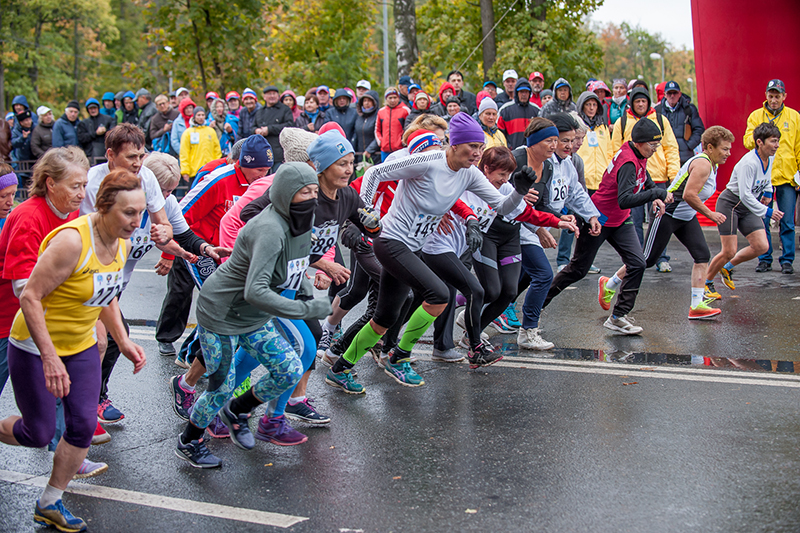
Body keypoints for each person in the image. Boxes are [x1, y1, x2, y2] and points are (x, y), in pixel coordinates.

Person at [326, 113, 538, 392]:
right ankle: (399, 357)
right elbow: (375, 173)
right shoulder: (428, 161)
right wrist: (366, 213)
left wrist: (519, 192)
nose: (477, 153)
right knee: (439, 294)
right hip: (390, 240)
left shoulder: (469, 173)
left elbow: (502, 206)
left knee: (384, 318)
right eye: (472, 146)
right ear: (454, 144)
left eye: (480, 146)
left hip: (412, 246)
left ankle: (340, 369)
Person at [0, 169, 147, 532]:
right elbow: (30, 297)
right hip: (35, 345)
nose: (136, 220)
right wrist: (49, 356)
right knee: (38, 432)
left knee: (81, 426)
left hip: (79, 344)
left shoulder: (121, 242)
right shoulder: (71, 242)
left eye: (140, 211)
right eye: (129, 212)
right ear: (104, 207)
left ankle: (50, 502)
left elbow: (107, 295)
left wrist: (123, 340)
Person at [175, 162, 330, 468]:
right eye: (305, 192)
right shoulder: (270, 229)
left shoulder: (300, 222)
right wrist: (305, 308)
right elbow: (255, 290)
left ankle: (238, 411)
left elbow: (291, 266)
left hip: (252, 316)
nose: (313, 198)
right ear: (286, 194)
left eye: (315, 191)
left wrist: (321, 266)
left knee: (288, 368)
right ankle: (190, 440)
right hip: (222, 313)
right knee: (221, 387)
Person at [80, 124, 173, 424]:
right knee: (102, 341)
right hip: (91, 275)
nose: (138, 162)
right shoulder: (93, 182)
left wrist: (164, 235)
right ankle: (83, 406)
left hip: (117, 279)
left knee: (111, 340)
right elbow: (90, 238)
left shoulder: (146, 176)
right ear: (110, 154)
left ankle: (86, 398)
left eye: (142, 155)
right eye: (131, 156)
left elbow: (165, 223)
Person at [543, 119, 670, 335]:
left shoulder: (638, 153)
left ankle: (618, 316)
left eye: (657, 145)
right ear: (639, 142)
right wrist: (657, 194)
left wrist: (651, 188)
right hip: (599, 218)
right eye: (652, 145)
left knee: (638, 263)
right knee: (577, 270)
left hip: (621, 220)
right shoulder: (628, 163)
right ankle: (537, 305)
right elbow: (625, 199)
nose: (654, 150)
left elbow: (644, 174)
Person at [156, 135, 273, 363]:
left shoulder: (262, 184)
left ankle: (192, 353)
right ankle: (189, 354)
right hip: (200, 247)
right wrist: (169, 253)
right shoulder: (219, 179)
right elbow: (179, 214)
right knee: (218, 301)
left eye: (267, 170)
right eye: (259, 169)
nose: (263, 175)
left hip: (230, 252)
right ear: (243, 164)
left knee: (228, 303)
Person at [604, 126, 734, 320]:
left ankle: (696, 305)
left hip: (685, 216)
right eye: (724, 149)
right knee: (646, 260)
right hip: (667, 213)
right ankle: (609, 284)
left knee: (702, 255)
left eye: (729, 149)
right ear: (709, 147)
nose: (728, 153)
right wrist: (711, 214)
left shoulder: (712, 164)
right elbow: (689, 195)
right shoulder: (703, 164)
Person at [513, 114, 600, 349]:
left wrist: (590, 215)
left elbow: (574, 192)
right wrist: (543, 226)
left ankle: (485, 314)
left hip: (535, 223)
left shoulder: (566, 162)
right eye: (563, 140)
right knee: (542, 275)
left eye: (573, 141)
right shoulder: (525, 159)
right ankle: (527, 329)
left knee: (519, 280)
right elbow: (518, 202)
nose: (569, 146)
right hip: (516, 226)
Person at [706, 123, 783, 293]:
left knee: (762, 246)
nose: (777, 145)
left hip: (747, 206)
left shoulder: (769, 157)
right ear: (760, 142)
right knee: (729, 250)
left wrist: (769, 192)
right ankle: (706, 282)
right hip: (730, 204)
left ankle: (726, 268)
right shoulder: (749, 162)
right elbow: (745, 195)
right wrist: (768, 212)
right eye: (773, 141)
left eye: (778, 141)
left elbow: (767, 177)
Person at [611, 87, 681, 272]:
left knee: (659, 220)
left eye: (643, 101)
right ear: (632, 103)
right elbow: (615, 151)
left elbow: (671, 148)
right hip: (632, 178)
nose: (640, 104)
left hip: (657, 177)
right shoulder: (622, 121)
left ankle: (661, 257)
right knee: (633, 221)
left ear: (648, 102)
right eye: (637, 101)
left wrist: (674, 176)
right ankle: (637, 257)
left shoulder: (660, 119)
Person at [744, 80, 800, 274]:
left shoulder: (794, 117)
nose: (774, 99)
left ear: (784, 96)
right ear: (766, 95)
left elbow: (799, 147)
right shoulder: (756, 116)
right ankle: (764, 258)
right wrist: (762, 136)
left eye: (778, 96)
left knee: (787, 221)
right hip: (762, 176)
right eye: (771, 95)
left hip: (786, 177)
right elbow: (746, 141)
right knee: (763, 219)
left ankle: (787, 260)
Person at [255, 85, 294, 170]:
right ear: (264, 97)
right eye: (269, 94)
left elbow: (290, 125)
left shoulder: (285, 109)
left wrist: (269, 129)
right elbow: (252, 127)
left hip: (279, 152)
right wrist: (256, 130)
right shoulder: (259, 111)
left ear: (278, 96)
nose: (272, 96)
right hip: (262, 152)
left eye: (274, 94)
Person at [180, 107, 221, 184]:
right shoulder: (188, 133)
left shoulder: (210, 131)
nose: (201, 117)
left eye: (202, 115)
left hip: (210, 170)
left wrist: (216, 166)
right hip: (194, 171)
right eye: (198, 115)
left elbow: (217, 150)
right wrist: (185, 171)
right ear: (194, 116)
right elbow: (184, 153)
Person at [497, 78, 539, 149]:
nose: (524, 94)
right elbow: (499, 133)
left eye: (526, 92)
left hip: (532, 152)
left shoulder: (536, 110)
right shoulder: (505, 110)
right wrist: (508, 147)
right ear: (516, 93)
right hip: (511, 153)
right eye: (521, 92)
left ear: (529, 93)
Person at [376, 87, 409, 161]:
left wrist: (403, 141)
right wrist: (380, 141)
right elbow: (377, 129)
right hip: (385, 149)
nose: (392, 100)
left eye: (395, 97)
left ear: (398, 98)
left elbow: (409, 128)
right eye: (390, 98)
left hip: (400, 149)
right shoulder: (381, 112)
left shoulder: (405, 110)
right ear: (386, 99)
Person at [354, 90, 381, 164]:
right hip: (361, 156)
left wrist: (370, 149)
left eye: (369, 100)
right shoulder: (359, 116)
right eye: (364, 100)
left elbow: (380, 135)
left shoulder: (379, 115)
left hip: (375, 156)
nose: (366, 103)